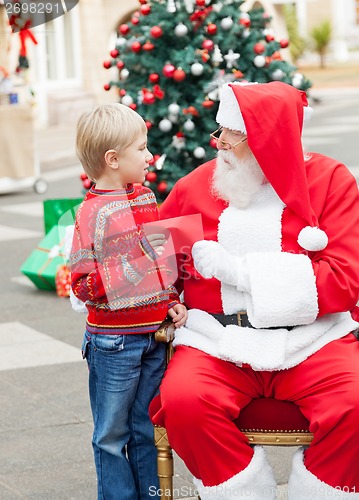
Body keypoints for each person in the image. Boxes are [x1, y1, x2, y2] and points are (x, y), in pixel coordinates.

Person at [150, 82, 359, 499]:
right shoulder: (195, 186)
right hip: (217, 342)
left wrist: (242, 273)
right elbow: (156, 266)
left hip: (312, 340)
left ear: (270, 140)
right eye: (219, 130)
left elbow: (345, 280)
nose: (219, 143)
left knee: (356, 402)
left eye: (232, 133)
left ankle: (320, 491)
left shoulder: (331, 181)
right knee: (184, 401)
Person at [70, 103, 187, 500]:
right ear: (113, 159)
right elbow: (83, 286)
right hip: (114, 344)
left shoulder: (146, 197)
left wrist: (171, 297)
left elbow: (162, 264)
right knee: (110, 434)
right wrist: (138, 258)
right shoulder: (91, 214)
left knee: (146, 429)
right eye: (142, 149)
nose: (150, 156)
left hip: (153, 337)